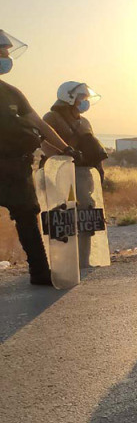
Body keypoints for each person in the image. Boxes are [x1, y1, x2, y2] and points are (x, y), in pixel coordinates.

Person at [0, 29, 74, 285]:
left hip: (15, 166)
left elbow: (39, 125)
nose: (6, 58)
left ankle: (40, 273)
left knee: (27, 217)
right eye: (3, 52)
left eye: (7, 53)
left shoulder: (13, 93)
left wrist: (65, 148)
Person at [41, 81, 108, 180]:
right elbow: (46, 144)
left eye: (87, 98)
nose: (86, 101)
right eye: (82, 97)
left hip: (83, 175)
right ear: (70, 98)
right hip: (58, 174)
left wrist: (99, 171)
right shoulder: (52, 117)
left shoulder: (85, 122)